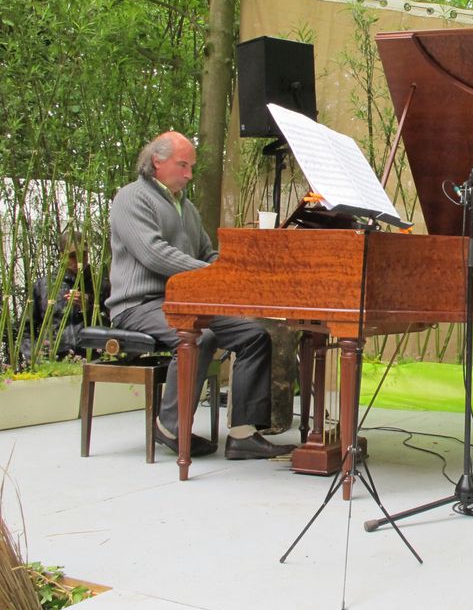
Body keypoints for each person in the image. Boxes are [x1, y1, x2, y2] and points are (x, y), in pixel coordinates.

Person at [107, 131, 291, 460]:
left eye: (191, 166)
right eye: (183, 165)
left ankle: (243, 435)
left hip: (184, 302)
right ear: (156, 162)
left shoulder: (185, 207)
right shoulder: (131, 198)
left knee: (254, 336)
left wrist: (234, 269)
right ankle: (171, 427)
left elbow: (207, 253)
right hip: (138, 305)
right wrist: (210, 274)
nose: (189, 174)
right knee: (199, 337)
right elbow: (153, 254)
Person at [20, 231, 108, 363]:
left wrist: (89, 307)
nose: (79, 260)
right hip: (53, 359)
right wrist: (34, 356)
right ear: (62, 256)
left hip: (92, 358)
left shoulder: (100, 285)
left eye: (82, 255)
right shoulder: (44, 286)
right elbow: (25, 329)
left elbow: (110, 325)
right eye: (73, 255)